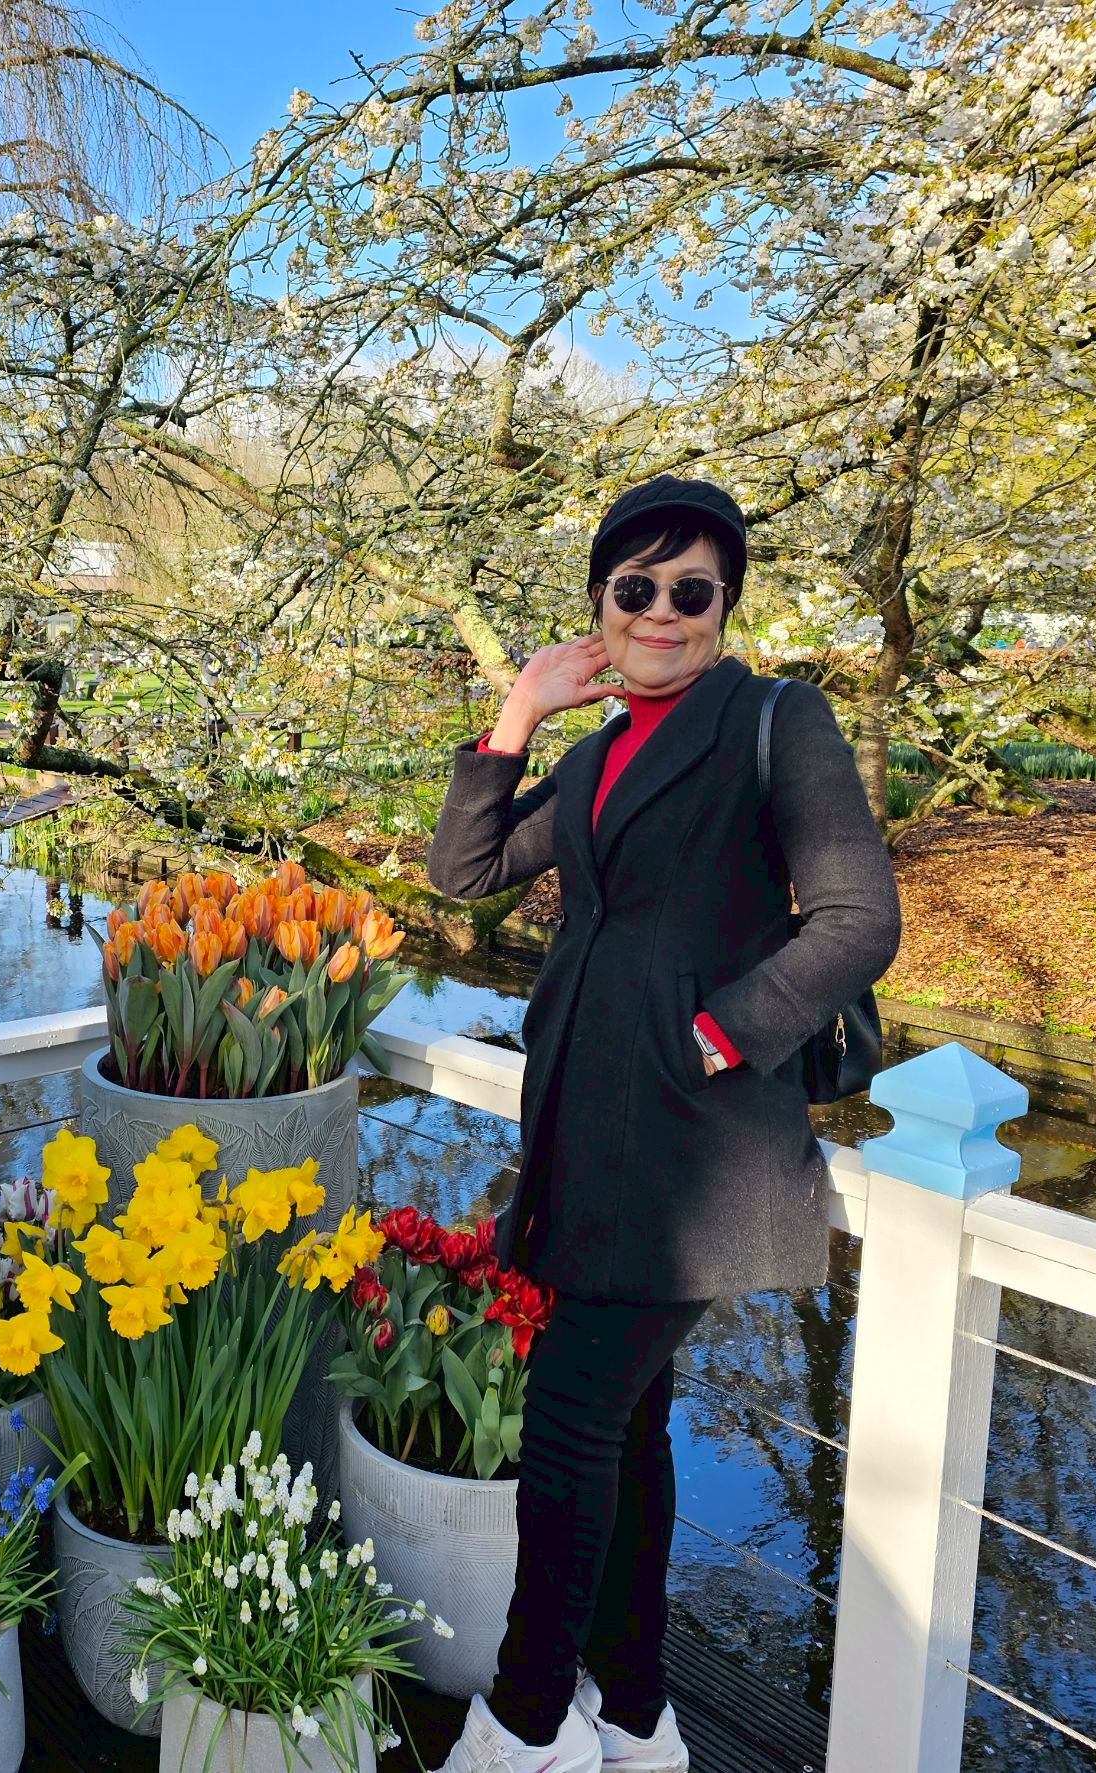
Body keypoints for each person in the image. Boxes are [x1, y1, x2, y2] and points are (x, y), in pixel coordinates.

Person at [422, 476, 901, 1773]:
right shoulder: (597, 752)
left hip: (693, 1151)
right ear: (601, 603)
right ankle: (637, 1716)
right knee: (624, 1428)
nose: (663, 611)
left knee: (570, 1423)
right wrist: (522, 711)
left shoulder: (774, 721)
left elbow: (860, 919)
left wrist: (717, 1034)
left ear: (726, 602)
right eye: (636, 587)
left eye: (694, 588)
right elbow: (465, 873)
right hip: (587, 1136)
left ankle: (526, 1724)